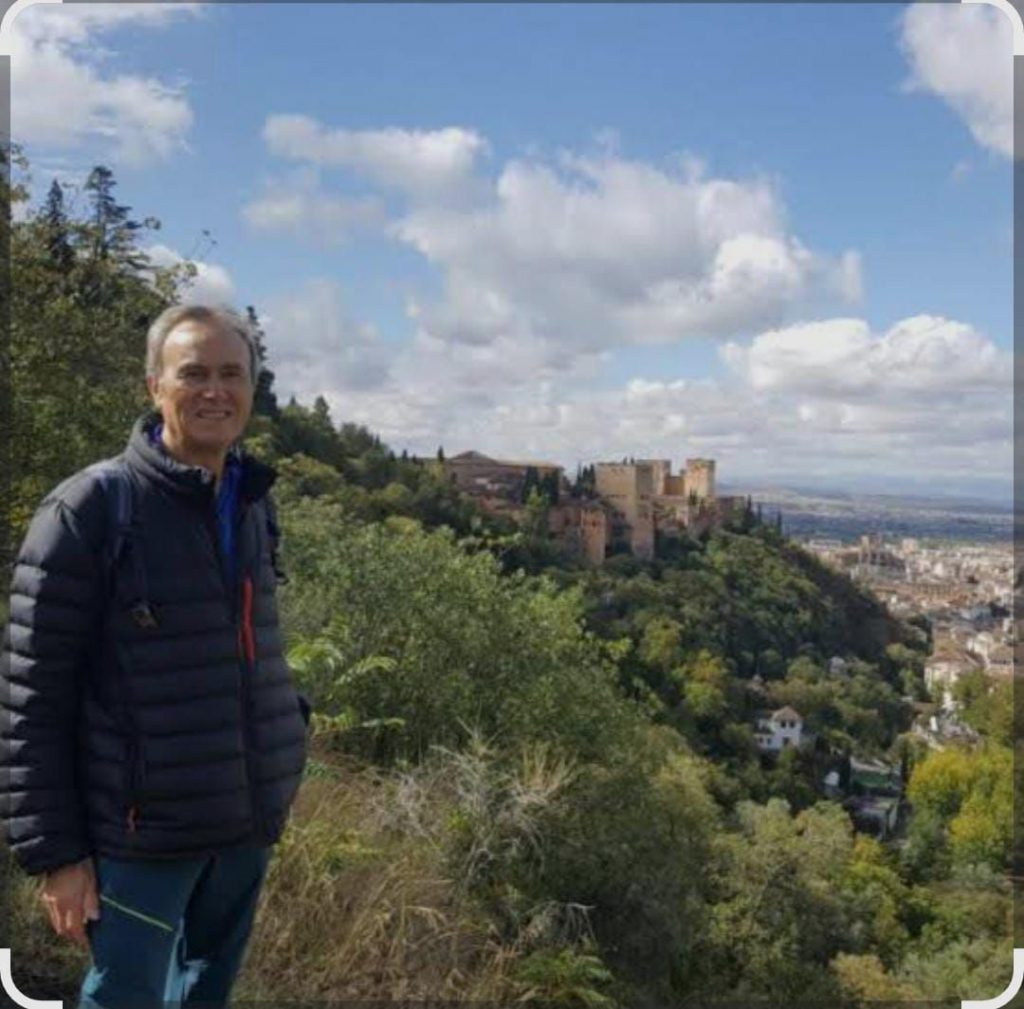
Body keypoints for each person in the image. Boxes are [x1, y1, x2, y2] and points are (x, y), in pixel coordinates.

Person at [0, 304, 310, 1008]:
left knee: (206, 994)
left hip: (245, 821)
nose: (214, 390)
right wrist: (56, 855)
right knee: (124, 998)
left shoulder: (253, 502)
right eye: (193, 372)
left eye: (231, 373)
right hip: (140, 836)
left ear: (251, 390)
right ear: (153, 387)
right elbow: (30, 697)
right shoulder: (90, 510)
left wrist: (290, 735)